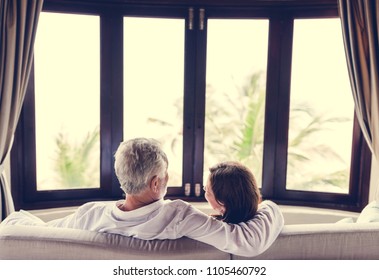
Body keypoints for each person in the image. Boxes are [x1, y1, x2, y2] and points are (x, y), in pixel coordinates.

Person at [1, 138, 284, 257]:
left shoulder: (90, 214)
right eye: (166, 173)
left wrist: (12, 221)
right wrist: (268, 204)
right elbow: (246, 241)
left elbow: (39, 234)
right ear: (156, 182)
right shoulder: (177, 215)